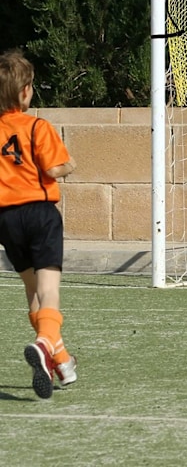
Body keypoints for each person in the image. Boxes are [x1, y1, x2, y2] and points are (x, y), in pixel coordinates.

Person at [0, 49, 77, 398]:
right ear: (26, 91)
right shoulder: (37, 126)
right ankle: (45, 342)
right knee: (49, 291)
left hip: (5, 219)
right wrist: (69, 165)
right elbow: (53, 167)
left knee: (32, 291)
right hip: (40, 214)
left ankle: (61, 360)